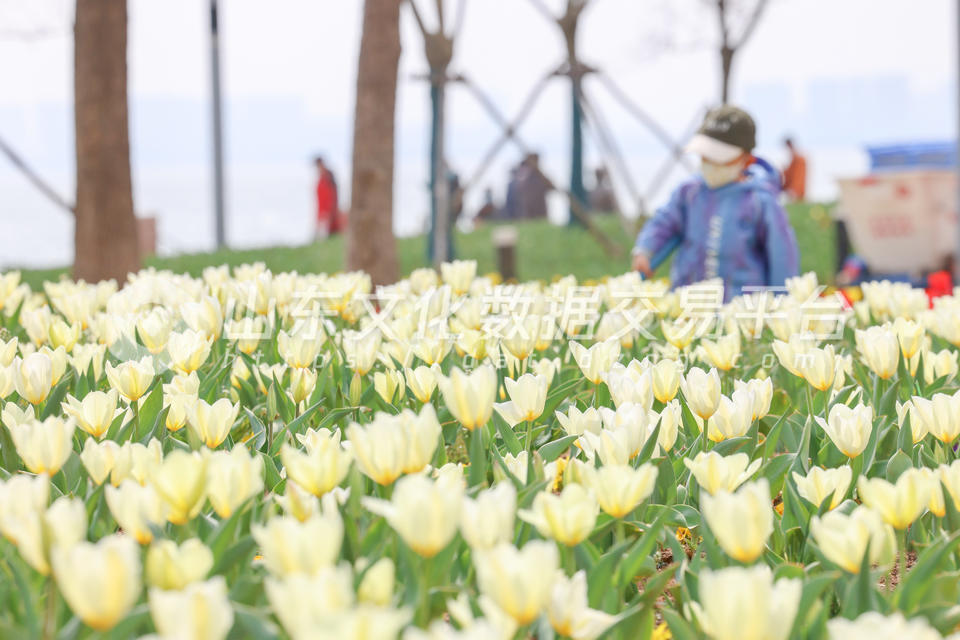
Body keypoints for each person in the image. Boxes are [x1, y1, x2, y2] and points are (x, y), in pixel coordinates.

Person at [632, 106, 799, 301]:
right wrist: (646, 249)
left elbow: (781, 257)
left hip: (740, 308)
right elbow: (665, 221)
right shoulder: (690, 192)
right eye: (705, 155)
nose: (709, 162)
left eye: (718, 158)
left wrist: (781, 301)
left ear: (746, 159)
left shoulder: (760, 202)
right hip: (687, 303)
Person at [314, 156, 343, 240]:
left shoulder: (328, 177)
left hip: (329, 212)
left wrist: (331, 211)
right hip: (322, 211)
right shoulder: (321, 178)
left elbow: (333, 195)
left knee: (327, 234)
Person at [515, 153, 552, 219]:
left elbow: (550, 187)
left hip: (540, 208)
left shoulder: (541, 176)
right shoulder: (525, 174)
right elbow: (519, 188)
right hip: (528, 208)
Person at [782, 137, 807, 201]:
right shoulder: (796, 156)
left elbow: (797, 175)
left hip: (796, 188)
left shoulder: (798, 158)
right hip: (795, 187)